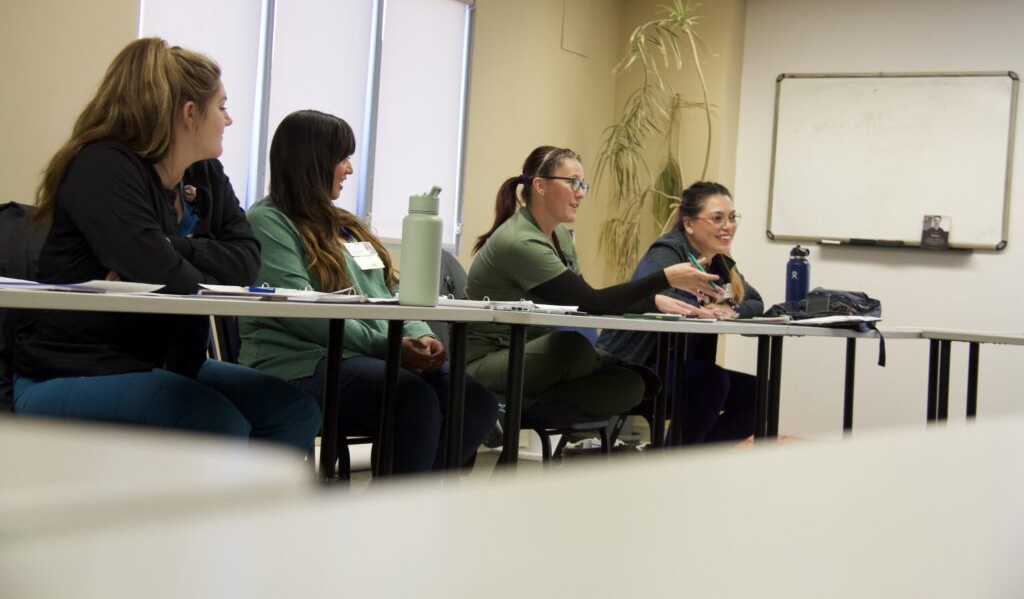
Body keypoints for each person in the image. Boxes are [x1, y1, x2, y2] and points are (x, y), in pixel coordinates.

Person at [10, 38, 321, 452]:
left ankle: (246, 516)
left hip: (170, 362)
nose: (229, 120)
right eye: (222, 106)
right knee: (213, 420)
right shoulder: (103, 165)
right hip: (77, 367)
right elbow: (166, 276)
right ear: (190, 114)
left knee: (292, 411)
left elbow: (247, 262)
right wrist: (181, 261)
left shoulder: (205, 172)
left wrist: (176, 247)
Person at [238, 109, 498, 474]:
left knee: (475, 401)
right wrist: (389, 346)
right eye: (342, 158)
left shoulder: (346, 226)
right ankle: (394, 517)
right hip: (300, 362)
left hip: (370, 357)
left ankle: (417, 507)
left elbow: (390, 291)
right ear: (312, 161)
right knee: (412, 397)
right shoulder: (268, 220)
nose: (349, 169)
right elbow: (300, 312)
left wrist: (419, 333)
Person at [465, 146, 722, 419]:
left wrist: (653, 301)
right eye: (572, 182)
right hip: (489, 361)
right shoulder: (519, 241)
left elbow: (585, 304)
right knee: (570, 347)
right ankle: (505, 405)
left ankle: (517, 402)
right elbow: (590, 301)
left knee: (630, 385)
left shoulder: (560, 235)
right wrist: (665, 278)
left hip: (532, 358)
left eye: (583, 184)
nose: (580, 193)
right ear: (540, 186)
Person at [597, 181, 763, 444]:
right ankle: (674, 468)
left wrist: (728, 310)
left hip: (678, 369)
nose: (728, 226)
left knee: (760, 394)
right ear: (689, 224)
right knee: (711, 381)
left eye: (732, 218)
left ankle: (690, 463)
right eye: (717, 218)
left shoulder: (719, 260)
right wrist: (707, 306)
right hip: (634, 368)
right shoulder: (667, 251)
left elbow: (754, 301)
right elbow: (667, 300)